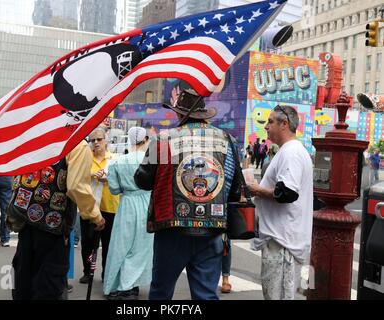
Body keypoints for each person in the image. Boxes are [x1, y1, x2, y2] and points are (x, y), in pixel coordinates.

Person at [134, 88, 241, 300]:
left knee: (161, 292)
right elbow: (236, 189)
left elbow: (143, 181)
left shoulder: (163, 140)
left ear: (181, 114)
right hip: (213, 229)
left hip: (171, 228)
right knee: (205, 295)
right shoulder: (228, 140)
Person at [7, 139, 105, 300]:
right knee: (49, 282)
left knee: (24, 276)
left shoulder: (39, 135)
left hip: (25, 219)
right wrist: (95, 215)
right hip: (53, 226)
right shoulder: (77, 144)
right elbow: (76, 187)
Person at [247, 105, 313, 300]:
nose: (266, 126)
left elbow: (287, 193)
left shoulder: (291, 152)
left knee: (279, 296)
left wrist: (257, 189)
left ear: (284, 124)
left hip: (283, 242)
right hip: (280, 239)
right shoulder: (288, 151)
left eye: (270, 121)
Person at [103, 126, 153, 300]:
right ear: (146, 140)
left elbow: (115, 190)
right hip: (147, 203)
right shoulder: (150, 160)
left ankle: (114, 286)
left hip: (126, 204)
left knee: (120, 245)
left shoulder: (117, 161)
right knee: (141, 247)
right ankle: (131, 286)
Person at [79, 126, 119, 284]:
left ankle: (106, 274)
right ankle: (87, 272)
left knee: (108, 244)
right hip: (90, 208)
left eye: (99, 139)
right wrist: (90, 175)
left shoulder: (115, 159)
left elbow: (123, 181)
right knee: (88, 243)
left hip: (110, 206)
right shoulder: (85, 158)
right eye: (92, 140)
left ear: (106, 140)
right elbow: (78, 179)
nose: (96, 143)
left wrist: (109, 179)